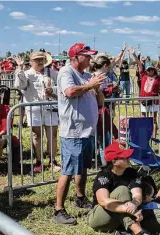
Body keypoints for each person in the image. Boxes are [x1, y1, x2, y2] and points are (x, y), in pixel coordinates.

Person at [53, 43, 105, 225]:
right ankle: (58, 209)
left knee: (83, 168)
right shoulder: (66, 72)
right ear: (76, 57)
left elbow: (100, 102)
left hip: (87, 131)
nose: (90, 59)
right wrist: (91, 84)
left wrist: (97, 88)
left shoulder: (87, 76)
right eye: (87, 56)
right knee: (68, 171)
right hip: (73, 132)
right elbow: (69, 92)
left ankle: (80, 197)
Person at [88, 142, 160, 234]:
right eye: (124, 157)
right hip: (102, 216)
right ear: (114, 161)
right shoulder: (103, 175)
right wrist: (128, 209)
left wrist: (134, 203)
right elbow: (103, 201)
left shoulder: (131, 172)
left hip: (127, 214)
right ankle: (138, 231)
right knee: (122, 190)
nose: (129, 158)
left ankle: (124, 230)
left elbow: (137, 195)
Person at [13, 52, 61, 173]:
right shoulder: (26, 73)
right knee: (37, 136)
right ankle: (38, 161)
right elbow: (19, 86)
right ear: (31, 61)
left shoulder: (51, 72)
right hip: (34, 109)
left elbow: (60, 86)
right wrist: (19, 68)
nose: (40, 61)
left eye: (42, 59)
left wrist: (53, 90)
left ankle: (53, 161)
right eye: (37, 59)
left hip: (50, 107)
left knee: (53, 135)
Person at [132, 47, 160, 137]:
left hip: (154, 101)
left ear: (154, 69)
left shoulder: (158, 78)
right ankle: (144, 135)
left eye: (151, 69)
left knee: (153, 119)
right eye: (148, 69)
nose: (150, 71)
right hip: (143, 100)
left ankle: (154, 137)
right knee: (143, 118)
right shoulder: (143, 75)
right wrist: (134, 55)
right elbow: (139, 64)